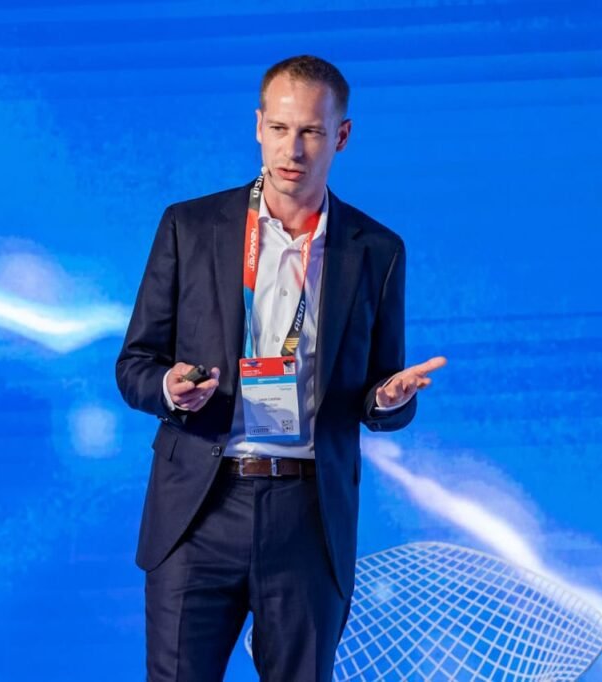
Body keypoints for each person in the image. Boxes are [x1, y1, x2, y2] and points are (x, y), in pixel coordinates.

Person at [116, 55, 446, 682]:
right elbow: (134, 364)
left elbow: (381, 392)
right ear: (258, 126)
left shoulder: (377, 250)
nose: (292, 149)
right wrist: (169, 389)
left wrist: (389, 399)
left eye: (312, 132)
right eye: (279, 128)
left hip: (307, 514)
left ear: (341, 136)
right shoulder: (191, 226)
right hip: (198, 508)